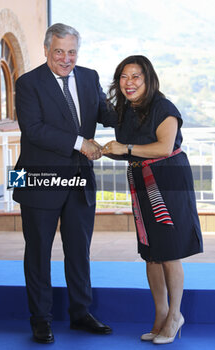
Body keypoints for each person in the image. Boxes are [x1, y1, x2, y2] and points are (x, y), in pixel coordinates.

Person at [13, 23, 116, 344]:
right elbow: (34, 129)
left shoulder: (89, 76)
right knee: (39, 252)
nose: (66, 58)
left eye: (72, 51)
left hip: (80, 180)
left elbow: (107, 113)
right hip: (37, 178)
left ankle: (80, 312)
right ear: (46, 50)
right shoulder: (28, 83)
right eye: (59, 51)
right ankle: (40, 320)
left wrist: (142, 106)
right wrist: (81, 142)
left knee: (78, 250)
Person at [102, 55, 203, 344]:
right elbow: (129, 150)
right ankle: (160, 315)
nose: (129, 82)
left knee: (169, 251)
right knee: (151, 251)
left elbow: (163, 147)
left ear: (148, 79)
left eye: (136, 76)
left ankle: (175, 315)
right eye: (124, 76)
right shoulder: (126, 109)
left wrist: (125, 147)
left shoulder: (163, 107)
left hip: (168, 179)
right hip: (141, 179)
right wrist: (106, 150)